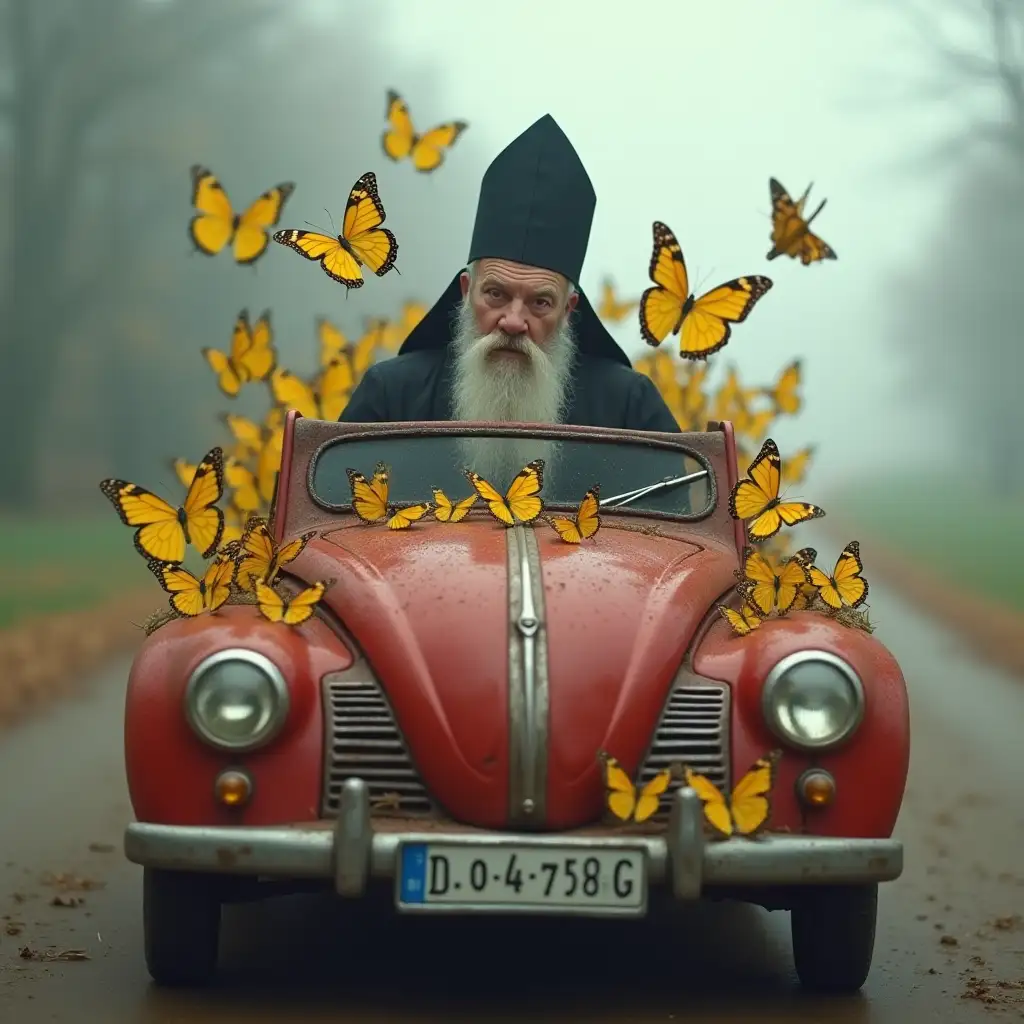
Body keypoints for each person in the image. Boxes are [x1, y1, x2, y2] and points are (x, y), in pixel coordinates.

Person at [339, 114, 680, 484]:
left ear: (568, 310)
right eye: (496, 294)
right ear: (467, 291)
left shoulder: (629, 408)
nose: (513, 321)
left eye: (540, 302)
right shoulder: (391, 397)